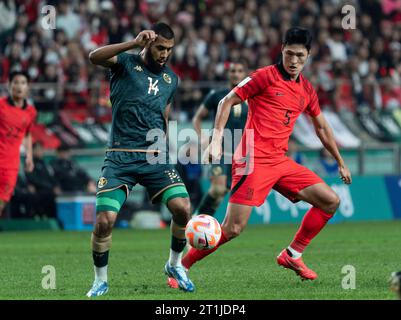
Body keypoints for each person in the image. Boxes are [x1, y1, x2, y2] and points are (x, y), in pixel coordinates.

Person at [178, 27, 352, 284]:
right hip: (252, 159)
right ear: (282, 49)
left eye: (300, 56)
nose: (294, 61)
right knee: (233, 228)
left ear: (308, 56)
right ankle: (181, 265)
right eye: (290, 54)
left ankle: (293, 254)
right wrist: (215, 141)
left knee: (330, 201)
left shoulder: (306, 90)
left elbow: (322, 127)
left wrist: (340, 161)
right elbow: (226, 101)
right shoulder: (264, 76)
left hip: (280, 161)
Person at [86, 22, 194, 297]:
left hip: (155, 158)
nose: (164, 54)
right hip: (120, 156)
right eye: (160, 48)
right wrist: (133, 43)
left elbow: (164, 116)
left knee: (183, 209)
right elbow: (94, 57)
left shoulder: (171, 80)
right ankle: (100, 280)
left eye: (169, 49)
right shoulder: (125, 63)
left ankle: (174, 264)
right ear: (149, 44)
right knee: (104, 221)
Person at [191, 60, 248, 216]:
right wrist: (203, 138)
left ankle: (201, 226)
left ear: (245, 74)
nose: (236, 74)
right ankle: (195, 222)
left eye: (239, 71)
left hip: (240, 155)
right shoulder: (217, 95)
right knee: (218, 189)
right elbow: (197, 118)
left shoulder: (252, 99)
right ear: (227, 74)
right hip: (220, 152)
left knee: (220, 195)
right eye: (232, 71)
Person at [0, 70, 36, 217]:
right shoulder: (1, 106)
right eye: (15, 82)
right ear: (9, 85)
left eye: (23, 83)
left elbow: (27, 134)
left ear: (27, 87)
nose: (19, 86)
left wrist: (29, 156)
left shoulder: (30, 112)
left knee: (2, 201)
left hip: (11, 165)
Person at [25, 141, 61, 218]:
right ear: (33, 151)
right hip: (39, 189)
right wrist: (48, 186)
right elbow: (31, 178)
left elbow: (51, 177)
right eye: (39, 149)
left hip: (48, 189)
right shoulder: (30, 163)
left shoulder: (44, 163)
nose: (41, 152)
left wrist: (56, 186)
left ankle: (54, 218)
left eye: (42, 149)